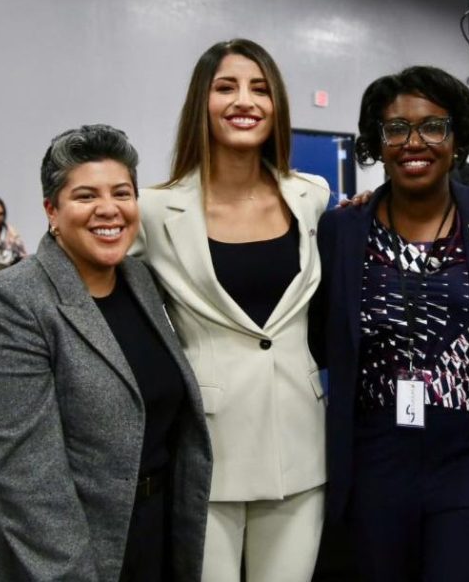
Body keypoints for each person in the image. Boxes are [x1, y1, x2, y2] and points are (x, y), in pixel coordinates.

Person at [0, 124, 212, 581]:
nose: (108, 209)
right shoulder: (9, 300)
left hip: (153, 533)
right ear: (51, 211)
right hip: (60, 553)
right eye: (86, 196)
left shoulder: (141, 282)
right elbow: (28, 478)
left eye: (122, 193)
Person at [312, 66, 469, 581]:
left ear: (457, 138)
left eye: (433, 127)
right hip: (374, 459)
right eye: (396, 129)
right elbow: (321, 336)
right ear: (378, 142)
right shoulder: (343, 229)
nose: (414, 143)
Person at [134, 39, 330, 582]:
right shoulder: (153, 209)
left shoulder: (312, 196)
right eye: (226, 87)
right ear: (202, 101)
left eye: (260, 89)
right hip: (207, 450)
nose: (245, 101)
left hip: (299, 447)